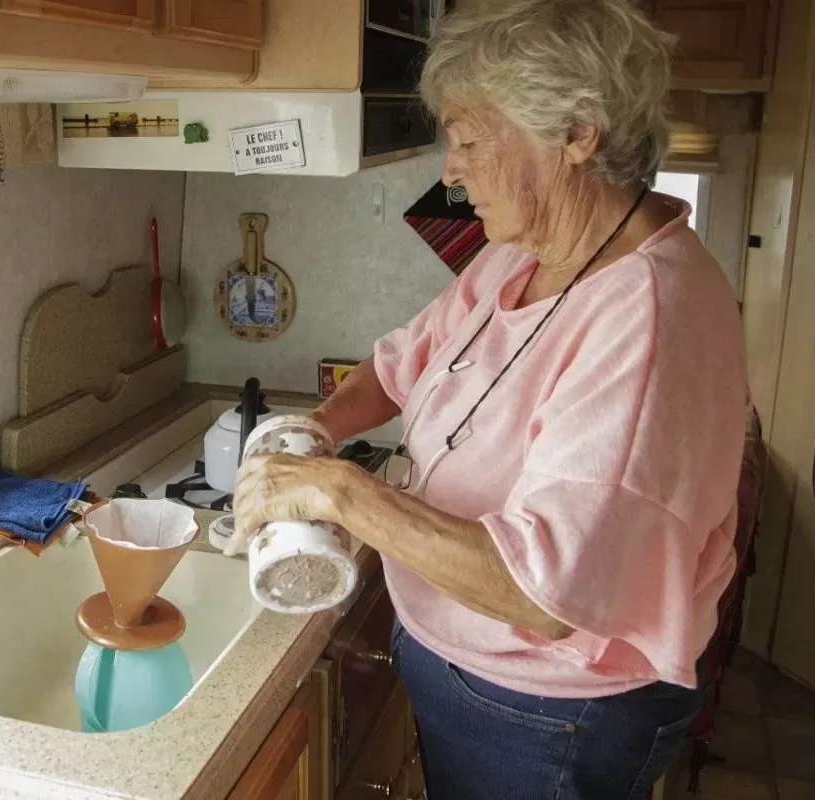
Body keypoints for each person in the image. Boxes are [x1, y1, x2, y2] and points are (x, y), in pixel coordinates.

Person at [223, 0, 747, 796]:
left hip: (548, 714)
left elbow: (541, 593)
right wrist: (318, 428)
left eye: (469, 140)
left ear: (576, 133)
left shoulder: (645, 317)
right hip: (470, 669)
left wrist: (336, 489)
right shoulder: (524, 252)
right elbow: (399, 365)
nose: (450, 171)